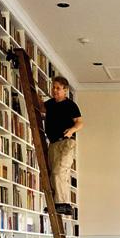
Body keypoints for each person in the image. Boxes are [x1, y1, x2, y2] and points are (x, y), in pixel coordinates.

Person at [42, 76, 84, 215]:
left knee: (59, 171)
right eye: (53, 87)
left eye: (58, 88)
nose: (55, 90)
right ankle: (60, 204)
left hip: (66, 142)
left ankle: (62, 203)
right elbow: (39, 107)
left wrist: (71, 130)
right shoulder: (50, 104)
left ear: (65, 90)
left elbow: (80, 122)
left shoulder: (70, 105)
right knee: (53, 174)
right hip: (53, 143)